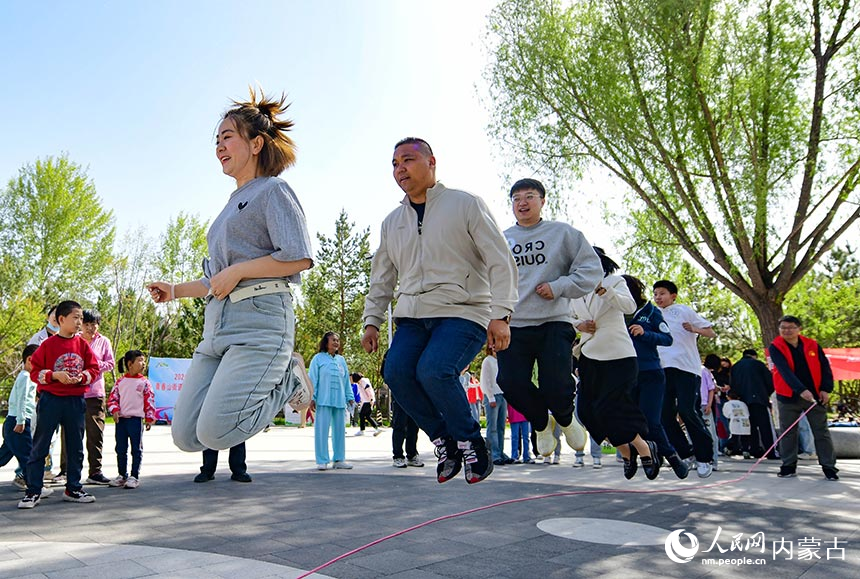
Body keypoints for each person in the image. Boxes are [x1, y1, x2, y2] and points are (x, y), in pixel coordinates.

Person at [147, 89, 313, 453]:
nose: (219, 147)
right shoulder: (229, 206)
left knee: (218, 433)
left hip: (260, 320)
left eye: (227, 137)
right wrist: (174, 290)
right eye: (216, 140)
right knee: (187, 436)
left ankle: (288, 381)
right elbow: (217, 279)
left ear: (255, 144)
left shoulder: (273, 190)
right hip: (218, 322)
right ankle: (279, 380)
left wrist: (238, 271)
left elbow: (299, 257)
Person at [361, 137, 518, 485]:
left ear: (432, 162)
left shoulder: (465, 205)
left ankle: (471, 441)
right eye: (394, 163)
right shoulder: (392, 222)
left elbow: (499, 259)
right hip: (414, 315)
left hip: (464, 311)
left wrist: (501, 313)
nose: (400, 168)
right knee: (397, 370)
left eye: (408, 160)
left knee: (434, 369)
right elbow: (382, 278)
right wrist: (372, 321)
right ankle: (443, 439)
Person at [495, 178, 601, 459]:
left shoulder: (563, 234)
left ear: (542, 201)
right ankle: (542, 424)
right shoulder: (501, 239)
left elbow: (591, 270)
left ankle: (566, 418)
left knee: (555, 385)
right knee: (509, 382)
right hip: (513, 324)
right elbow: (485, 280)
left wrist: (559, 287)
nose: (523, 203)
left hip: (554, 321)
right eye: (516, 198)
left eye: (529, 196)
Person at [573, 249, 659, 480]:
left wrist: (604, 291)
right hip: (590, 355)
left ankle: (643, 449)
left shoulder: (613, 282)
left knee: (612, 407)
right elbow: (567, 318)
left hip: (618, 355)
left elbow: (629, 307)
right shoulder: (573, 292)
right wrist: (578, 325)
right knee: (585, 412)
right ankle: (626, 450)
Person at [19, 300, 100, 508]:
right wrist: (55, 375)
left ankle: (73, 488)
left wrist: (81, 377)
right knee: (40, 445)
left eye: (81, 318)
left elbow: (94, 369)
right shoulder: (47, 345)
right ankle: (33, 491)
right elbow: (35, 371)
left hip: (75, 401)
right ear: (61, 319)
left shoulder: (83, 345)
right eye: (75, 318)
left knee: (75, 446)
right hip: (50, 400)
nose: (79, 322)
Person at [622, 275, 688, 479]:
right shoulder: (612, 311)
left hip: (651, 373)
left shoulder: (650, 312)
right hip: (624, 375)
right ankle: (631, 456)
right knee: (625, 420)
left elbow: (667, 339)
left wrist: (646, 333)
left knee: (651, 420)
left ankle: (672, 456)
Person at [653, 279, 717, 478]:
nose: (658, 297)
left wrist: (694, 329)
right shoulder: (652, 315)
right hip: (662, 369)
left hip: (686, 368)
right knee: (663, 415)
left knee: (687, 410)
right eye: (655, 294)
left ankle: (705, 457)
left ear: (673, 295)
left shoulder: (683, 310)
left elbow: (711, 332)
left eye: (662, 293)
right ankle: (686, 453)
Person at [768, 315, 838, 481]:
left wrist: (826, 389)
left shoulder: (812, 344)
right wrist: (800, 390)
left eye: (791, 327)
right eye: (783, 327)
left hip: (814, 397)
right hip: (788, 396)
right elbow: (784, 371)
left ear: (799, 329)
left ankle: (829, 467)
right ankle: (788, 466)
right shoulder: (775, 347)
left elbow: (825, 367)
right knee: (788, 432)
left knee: (821, 431)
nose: (787, 331)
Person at [106, 350, 155, 489]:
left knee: (136, 449)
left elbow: (149, 400)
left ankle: (134, 476)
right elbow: (113, 399)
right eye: (140, 360)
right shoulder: (120, 382)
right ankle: (122, 475)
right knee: (120, 448)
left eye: (144, 360)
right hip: (121, 421)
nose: (143, 363)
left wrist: (149, 417)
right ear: (130, 364)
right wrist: (114, 410)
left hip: (136, 420)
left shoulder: (144, 382)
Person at [79, 309, 115, 486]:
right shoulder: (75, 339)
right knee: (71, 434)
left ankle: (95, 471)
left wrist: (93, 364)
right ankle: (67, 471)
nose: (91, 328)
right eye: (87, 324)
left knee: (95, 434)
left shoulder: (104, 341)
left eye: (94, 324)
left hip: (95, 393)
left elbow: (110, 363)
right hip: (75, 392)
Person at [309, 332, 353, 470]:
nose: (336, 342)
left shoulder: (341, 360)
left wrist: (349, 397)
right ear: (326, 342)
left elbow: (346, 381)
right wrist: (312, 397)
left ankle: (339, 459)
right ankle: (322, 460)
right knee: (321, 431)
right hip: (323, 400)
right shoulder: (318, 359)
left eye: (338, 340)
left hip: (339, 400)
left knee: (339, 431)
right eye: (333, 340)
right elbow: (313, 379)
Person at [1, 344, 39, 490]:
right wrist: (21, 421)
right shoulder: (26, 377)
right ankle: (34, 487)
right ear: (30, 360)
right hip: (18, 423)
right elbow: (22, 400)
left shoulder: (25, 377)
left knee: (4, 455)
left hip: (13, 422)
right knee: (27, 456)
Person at [730, 349, 777, 459]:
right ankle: (770, 452)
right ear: (754, 356)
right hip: (759, 399)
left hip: (743, 401)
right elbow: (770, 381)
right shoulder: (758, 364)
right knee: (764, 427)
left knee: (749, 426)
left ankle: (754, 449)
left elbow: (733, 384)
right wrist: (766, 394)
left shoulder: (735, 367)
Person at [480, 347, 511, 465]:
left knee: (501, 427)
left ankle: (501, 452)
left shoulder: (501, 360)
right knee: (492, 427)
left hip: (502, 395)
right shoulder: (487, 361)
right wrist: (490, 396)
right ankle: (494, 454)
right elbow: (485, 380)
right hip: (492, 395)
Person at [721, 390, 752, 457]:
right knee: (745, 437)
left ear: (728, 397)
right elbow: (747, 413)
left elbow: (725, 414)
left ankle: (728, 448)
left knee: (734, 437)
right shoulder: (743, 403)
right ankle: (745, 451)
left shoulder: (727, 404)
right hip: (745, 421)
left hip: (735, 420)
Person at [352, 372, 382, 437]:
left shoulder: (363, 381)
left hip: (368, 401)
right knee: (367, 416)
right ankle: (376, 428)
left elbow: (369, 390)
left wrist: (371, 399)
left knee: (362, 414)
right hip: (366, 401)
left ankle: (362, 430)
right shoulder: (360, 382)